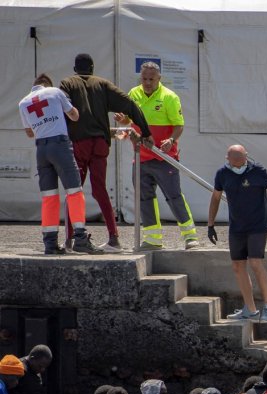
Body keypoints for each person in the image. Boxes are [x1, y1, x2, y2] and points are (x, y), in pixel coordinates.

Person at [60, 53, 154, 252]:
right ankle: (114, 238)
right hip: (100, 144)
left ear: (75, 69)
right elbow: (131, 105)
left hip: (79, 143)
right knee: (99, 189)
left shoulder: (67, 84)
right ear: (92, 68)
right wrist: (146, 132)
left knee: (74, 192)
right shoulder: (103, 84)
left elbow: (61, 111)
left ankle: (69, 240)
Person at [114, 62, 196, 251]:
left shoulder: (169, 97)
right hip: (141, 156)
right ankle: (153, 239)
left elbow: (179, 125)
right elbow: (130, 121)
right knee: (144, 198)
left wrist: (171, 140)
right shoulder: (133, 94)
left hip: (164, 157)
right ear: (140, 78)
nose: (148, 82)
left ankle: (190, 236)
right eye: (144, 79)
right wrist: (123, 121)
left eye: (151, 79)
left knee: (174, 196)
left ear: (159, 78)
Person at [208, 145, 267, 324]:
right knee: (237, 265)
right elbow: (216, 197)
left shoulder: (258, 170)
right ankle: (250, 308)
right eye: (234, 164)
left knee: (255, 262)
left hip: (257, 226)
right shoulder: (222, 174)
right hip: (236, 227)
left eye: (241, 163)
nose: (238, 167)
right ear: (228, 159)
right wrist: (210, 224)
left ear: (246, 157)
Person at [18, 75, 87, 255]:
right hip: (60, 146)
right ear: (48, 85)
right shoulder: (55, 92)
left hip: (41, 149)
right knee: (74, 191)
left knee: (49, 196)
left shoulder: (23, 102)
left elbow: (29, 133)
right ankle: (80, 239)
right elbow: (75, 115)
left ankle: (50, 244)